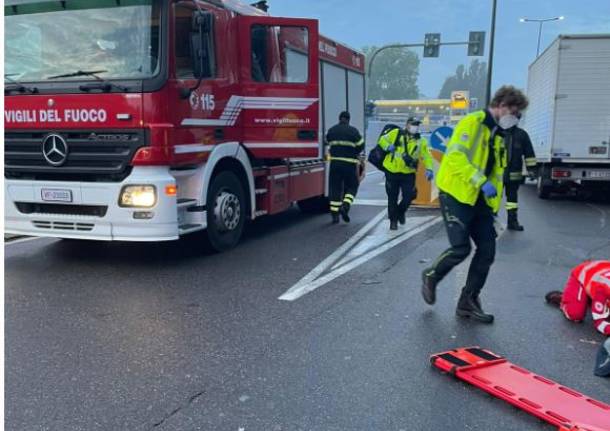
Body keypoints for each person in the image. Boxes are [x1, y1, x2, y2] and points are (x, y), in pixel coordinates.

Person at [421, 85, 529, 324]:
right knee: (461, 248)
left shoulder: (499, 135)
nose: (516, 117)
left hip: (478, 199)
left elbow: (495, 173)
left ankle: (468, 302)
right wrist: (479, 181)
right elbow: (455, 157)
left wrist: (492, 208)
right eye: (515, 111)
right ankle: (431, 275)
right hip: (456, 193)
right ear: (501, 106)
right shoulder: (473, 123)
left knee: (487, 249)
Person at [377, 117, 434, 230]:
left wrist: (429, 169)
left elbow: (426, 156)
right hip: (392, 171)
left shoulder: (421, 141)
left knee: (409, 196)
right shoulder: (396, 133)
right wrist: (388, 146)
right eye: (413, 124)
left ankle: (400, 212)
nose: (415, 127)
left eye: (417, 124)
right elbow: (382, 140)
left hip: (408, 173)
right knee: (392, 198)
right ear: (407, 125)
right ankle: (393, 221)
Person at [545, 260, 610, 335]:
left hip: (600, 275)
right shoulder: (605, 285)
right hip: (584, 274)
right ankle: (565, 300)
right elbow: (599, 323)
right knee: (575, 314)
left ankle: (588, 300)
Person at [326, 111, 365, 224]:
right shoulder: (353, 131)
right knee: (353, 186)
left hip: (335, 164)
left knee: (335, 189)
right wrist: (353, 151)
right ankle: (346, 206)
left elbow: (327, 141)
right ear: (348, 119)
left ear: (339, 119)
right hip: (350, 164)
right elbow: (361, 145)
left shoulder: (332, 130)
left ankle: (335, 215)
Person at [504, 121, 536, 231]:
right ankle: (490, 224)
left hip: (513, 175)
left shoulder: (522, 135)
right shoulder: (496, 132)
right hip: (497, 176)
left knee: (512, 201)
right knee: (492, 202)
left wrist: (531, 170)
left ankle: (512, 222)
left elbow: (529, 153)